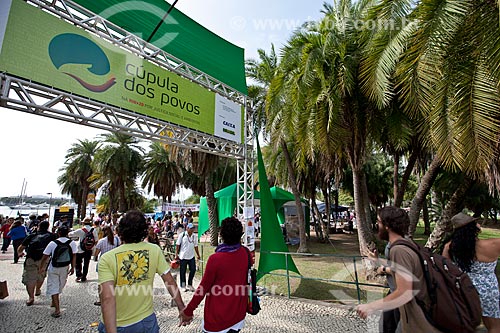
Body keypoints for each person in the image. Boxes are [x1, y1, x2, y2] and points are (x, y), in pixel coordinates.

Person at [97, 210, 191, 332]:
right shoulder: (154, 250)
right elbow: (170, 282)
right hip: (146, 321)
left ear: (119, 231)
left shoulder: (107, 258)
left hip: (117, 323)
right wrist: (181, 307)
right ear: (144, 231)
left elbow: (107, 298)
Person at [356, 206, 442, 332]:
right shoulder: (406, 243)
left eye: (378, 222)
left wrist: (371, 306)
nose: (377, 225)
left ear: (387, 226)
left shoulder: (398, 250)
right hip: (413, 308)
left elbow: (404, 291)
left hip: (416, 313)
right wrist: (377, 261)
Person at [181, 216, 248, 333]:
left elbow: (203, 288)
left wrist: (188, 310)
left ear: (221, 235)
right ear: (240, 234)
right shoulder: (245, 253)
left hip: (217, 320)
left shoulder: (215, 259)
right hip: (238, 316)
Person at [443, 213, 500, 333]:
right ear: (472, 227)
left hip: (464, 288)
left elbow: (446, 269)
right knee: (494, 326)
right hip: (488, 290)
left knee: (466, 325)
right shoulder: (493, 244)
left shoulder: (451, 246)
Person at [39, 226, 77, 318]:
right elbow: (74, 255)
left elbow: (45, 256)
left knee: (53, 285)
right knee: (60, 285)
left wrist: (41, 267)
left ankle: (57, 309)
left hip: (54, 267)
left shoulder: (53, 243)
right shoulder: (72, 243)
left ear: (58, 233)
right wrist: (73, 267)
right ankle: (54, 302)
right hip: (65, 267)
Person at [17, 221, 56, 305]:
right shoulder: (52, 236)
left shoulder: (32, 235)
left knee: (30, 278)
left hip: (31, 258)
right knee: (41, 275)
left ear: (38, 226)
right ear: (48, 227)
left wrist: (19, 253)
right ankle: (37, 290)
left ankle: (31, 297)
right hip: (44, 259)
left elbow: (21, 247)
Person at [93, 226, 120, 306]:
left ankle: (101, 299)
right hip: (114, 263)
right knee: (114, 281)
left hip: (103, 263)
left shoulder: (101, 241)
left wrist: (95, 258)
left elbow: (96, 254)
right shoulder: (116, 240)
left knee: (102, 282)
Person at [69, 217, 98, 282]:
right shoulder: (94, 230)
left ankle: (79, 274)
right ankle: (84, 277)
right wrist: (91, 247)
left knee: (78, 262)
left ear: (83, 223)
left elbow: (70, 234)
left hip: (80, 249)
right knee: (86, 263)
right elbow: (96, 240)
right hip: (89, 249)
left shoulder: (80, 230)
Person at [175, 222, 201, 292]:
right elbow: (177, 245)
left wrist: (198, 255)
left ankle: (190, 284)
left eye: (193, 228)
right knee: (182, 272)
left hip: (191, 256)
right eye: (191, 228)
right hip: (183, 256)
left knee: (193, 270)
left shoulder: (194, 236)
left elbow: (196, 246)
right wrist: (176, 254)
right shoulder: (182, 235)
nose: (192, 230)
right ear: (187, 228)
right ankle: (183, 285)